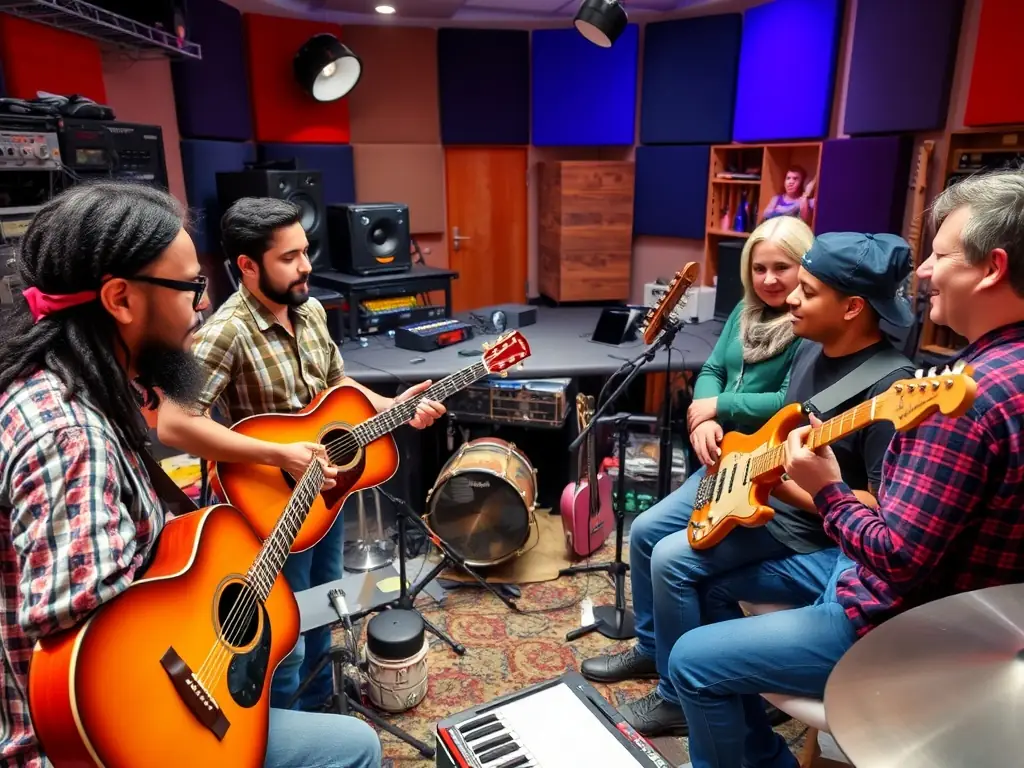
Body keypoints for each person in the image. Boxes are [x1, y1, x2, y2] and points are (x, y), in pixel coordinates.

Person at [0, 182, 381, 767]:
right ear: (121, 300)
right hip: (119, 742)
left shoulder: (74, 393)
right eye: (190, 288)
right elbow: (82, 636)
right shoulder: (71, 438)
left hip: (152, 707)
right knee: (356, 749)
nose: (201, 305)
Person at [666, 168, 1024, 768]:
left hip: (911, 623)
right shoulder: (998, 368)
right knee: (708, 582)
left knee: (692, 659)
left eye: (938, 254)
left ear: (991, 268)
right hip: (972, 615)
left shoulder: (967, 397)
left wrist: (828, 491)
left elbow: (898, 557)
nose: (925, 272)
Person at [582, 228, 916, 738]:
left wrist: (790, 488)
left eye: (805, 288)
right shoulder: (811, 347)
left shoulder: (892, 385)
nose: (790, 297)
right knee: (650, 532)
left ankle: (677, 694)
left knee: (674, 560)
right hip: (756, 482)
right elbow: (761, 407)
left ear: (851, 308)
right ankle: (659, 655)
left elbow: (881, 506)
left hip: (806, 526)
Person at [157, 196, 444, 714]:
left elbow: (338, 388)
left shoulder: (309, 310)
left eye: (305, 252)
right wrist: (279, 454)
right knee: (282, 636)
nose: (306, 266)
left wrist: (395, 406)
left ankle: (323, 711)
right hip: (270, 510)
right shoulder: (224, 332)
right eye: (289, 257)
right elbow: (175, 423)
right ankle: (287, 730)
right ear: (247, 266)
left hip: (326, 497)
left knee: (326, 607)